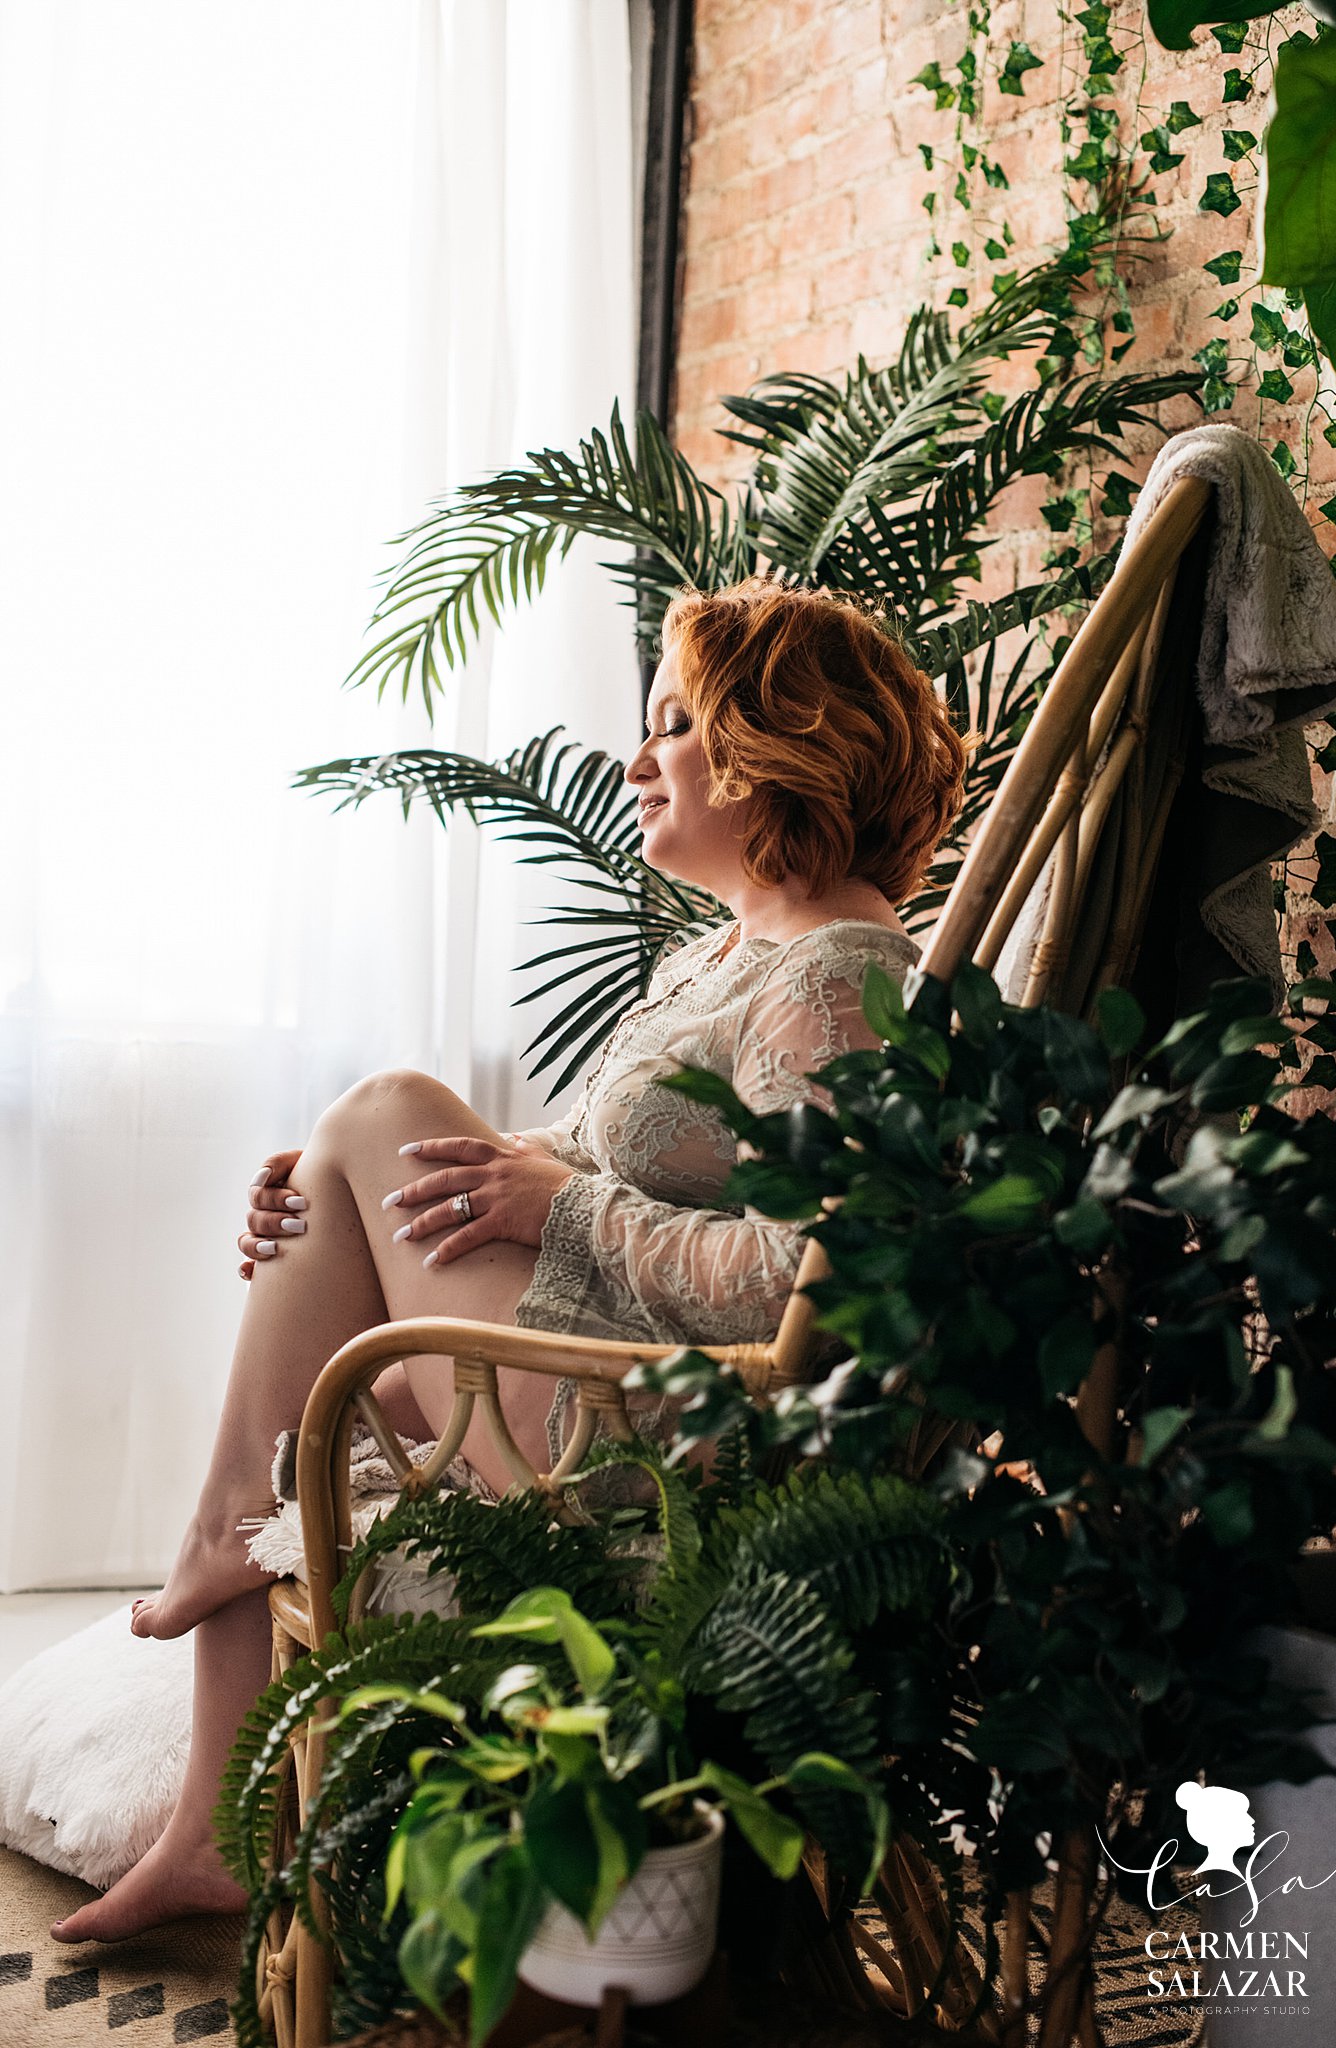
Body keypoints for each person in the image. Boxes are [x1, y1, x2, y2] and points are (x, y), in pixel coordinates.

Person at [51, 576, 967, 1943]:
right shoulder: (733, 953)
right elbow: (599, 1152)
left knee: (379, 1113)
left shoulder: (840, 975)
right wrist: (341, 1194)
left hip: (670, 1435)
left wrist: (558, 1210)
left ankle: (208, 1561)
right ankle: (214, 1827)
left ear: (776, 743)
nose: (633, 759)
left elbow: (806, 1282)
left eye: (674, 725)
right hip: (582, 1380)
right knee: (342, 1161)